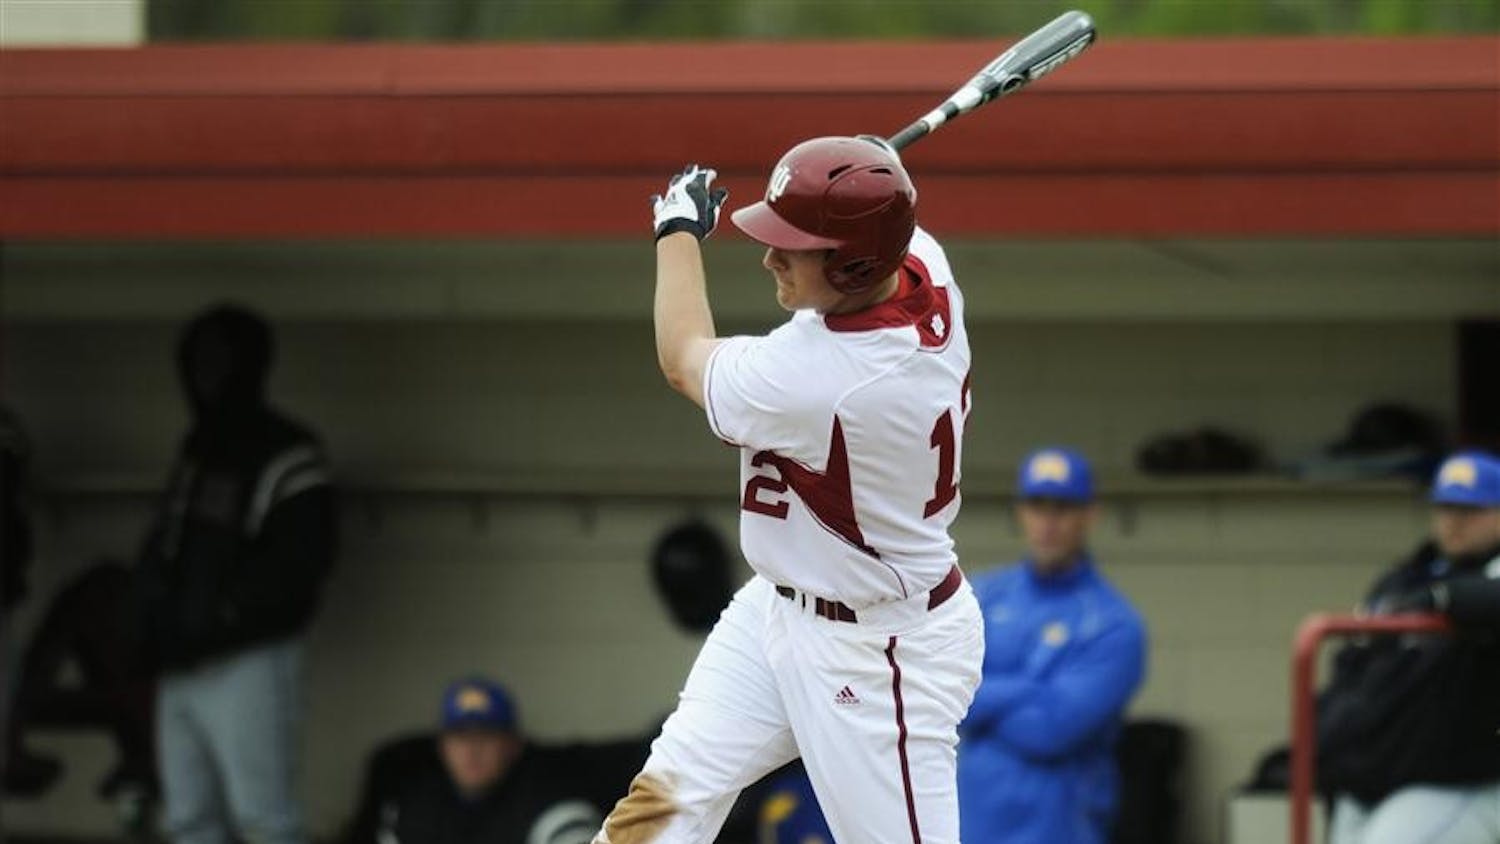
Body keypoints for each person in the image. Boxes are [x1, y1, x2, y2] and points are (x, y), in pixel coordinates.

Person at [593, 135, 983, 843]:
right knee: (666, 801)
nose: (770, 256)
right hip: (779, 607)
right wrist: (845, 179)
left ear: (856, 261)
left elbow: (683, 358)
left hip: (882, 652)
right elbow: (884, 205)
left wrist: (676, 231)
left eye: (793, 245)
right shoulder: (923, 261)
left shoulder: (821, 377)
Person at [137, 304, 336, 844]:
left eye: (219, 361)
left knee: (264, 819)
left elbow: (302, 564)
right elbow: (164, 549)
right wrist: (155, 621)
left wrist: (218, 617)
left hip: (249, 661)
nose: (206, 374)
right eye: (197, 360)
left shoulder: (286, 450)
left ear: (248, 365)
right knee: (188, 820)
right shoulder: (195, 450)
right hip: (179, 665)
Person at [958, 447, 1147, 844]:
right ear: (1021, 511)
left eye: (1062, 507)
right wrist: (1029, 689)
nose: (1048, 521)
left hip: (1057, 829)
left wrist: (981, 694)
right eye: (1037, 505)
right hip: (969, 824)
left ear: (1089, 514)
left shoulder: (1113, 623)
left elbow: (1050, 730)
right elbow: (941, 698)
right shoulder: (982, 596)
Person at [1318, 450, 1500, 844]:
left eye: (1472, 510)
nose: (1454, 522)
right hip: (1374, 780)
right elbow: (1352, 670)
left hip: (1467, 782)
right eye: (1446, 508)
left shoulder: (1482, 577)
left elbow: (1487, 597)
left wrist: (1443, 600)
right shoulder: (1404, 579)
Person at [344, 677, 648, 844]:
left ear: (513, 746)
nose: (471, 751)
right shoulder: (415, 810)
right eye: (460, 738)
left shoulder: (550, 806)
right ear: (441, 747)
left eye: (485, 737)